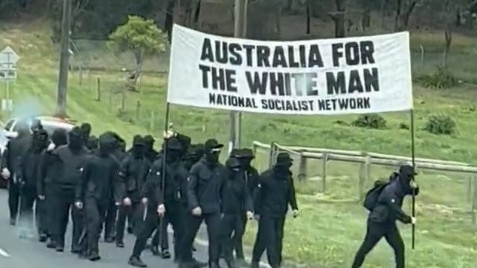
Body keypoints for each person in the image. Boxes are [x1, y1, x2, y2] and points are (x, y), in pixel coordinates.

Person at [351, 164, 419, 268]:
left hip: (389, 224)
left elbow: (413, 192)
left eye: (412, 176)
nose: (410, 178)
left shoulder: (402, 185)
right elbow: (395, 209)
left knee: (399, 247)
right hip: (377, 223)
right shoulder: (391, 189)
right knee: (365, 249)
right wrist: (409, 219)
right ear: (404, 175)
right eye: (409, 176)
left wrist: (415, 187)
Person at [75, 133, 122, 261]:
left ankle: (83, 245)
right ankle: (93, 251)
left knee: (97, 224)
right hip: (90, 195)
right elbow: (82, 180)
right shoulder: (90, 160)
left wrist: (118, 197)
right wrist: (78, 198)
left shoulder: (113, 162)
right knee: (94, 221)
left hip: (104, 197)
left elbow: (116, 181)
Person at [182, 139, 228, 268]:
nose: (216, 155)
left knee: (215, 236)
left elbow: (224, 191)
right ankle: (185, 259)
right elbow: (190, 189)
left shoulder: (221, 169)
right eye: (214, 151)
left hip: (214, 208)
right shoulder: (197, 167)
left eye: (218, 152)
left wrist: (223, 209)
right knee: (189, 235)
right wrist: (194, 205)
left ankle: (213, 262)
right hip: (198, 207)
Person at [251, 152, 299, 268]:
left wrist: (294, 207)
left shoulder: (287, 178)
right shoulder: (265, 177)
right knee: (271, 238)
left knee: (274, 237)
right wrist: (256, 212)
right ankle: (274, 263)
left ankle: (255, 260)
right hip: (266, 213)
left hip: (280, 213)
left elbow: (291, 193)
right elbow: (257, 196)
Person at [49, 127, 90, 253]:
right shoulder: (60, 151)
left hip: (78, 189)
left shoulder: (87, 154)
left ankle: (75, 244)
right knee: (60, 216)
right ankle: (59, 241)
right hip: (60, 187)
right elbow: (52, 169)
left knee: (78, 219)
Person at [127, 146, 167, 268]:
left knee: (180, 229)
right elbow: (153, 185)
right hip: (156, 201)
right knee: (148, 228)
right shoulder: (158, 165)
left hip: (172, 200)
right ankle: (135, 255)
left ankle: (183, 256)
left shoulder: (177, 166)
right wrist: (158, 202)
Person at [116, 135, 150, 248]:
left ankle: (140, 241)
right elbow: (121, 179)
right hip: (128, 192)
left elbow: (148, 179)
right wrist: (124, 196)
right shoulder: (127, 161)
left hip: (140, 194)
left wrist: (146, 195)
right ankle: (119, 239)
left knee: (139, 219)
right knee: (122, 218)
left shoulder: (146, 163)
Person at [220, 156, 254, 268]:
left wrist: (249, 209)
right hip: (224, 213)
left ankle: (231, 254)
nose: (236, 170)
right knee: (225, 236)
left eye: (237, 168)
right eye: (233, 168)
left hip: (237, 213)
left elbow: (246, 196)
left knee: (239, 233)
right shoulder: (221, 179)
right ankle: (230, 261)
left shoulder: (240, 180)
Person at [37, 129, 68, 248]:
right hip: (52, 185)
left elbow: (41, 172)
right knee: (53, 211)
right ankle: (48, 232)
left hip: (52, 185)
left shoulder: (51, 152)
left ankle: (48, 232)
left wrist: (40, 188)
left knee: (50, 211)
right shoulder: (50, 153)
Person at [17, 128, 49, 239]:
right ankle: (25, 228)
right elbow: (20, 164)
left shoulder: (47, 154)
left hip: (42, 185)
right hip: (28, 183)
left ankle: (42, 230)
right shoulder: (28, 151)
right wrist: (20, 176)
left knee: (42, 209)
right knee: (26, 207)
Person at [1, 121, 31, 226]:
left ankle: (13, 216)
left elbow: (5, 155)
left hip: (13, 171)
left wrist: (4, 168)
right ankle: (23, 219)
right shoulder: (31, 143)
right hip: (26, 174)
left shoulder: (12, 142)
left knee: (13, 196)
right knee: (25, 198)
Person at [232, 148, 259, 265]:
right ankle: (237, 255)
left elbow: (254, 191)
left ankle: (237, 254)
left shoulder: (253, 173)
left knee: (240, 231)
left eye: (249, 160)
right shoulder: (234, 172)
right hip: (232, 206)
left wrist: (252, 208)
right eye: (245, 160)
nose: (247, 162)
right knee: (231, 231)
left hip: (245, 207)